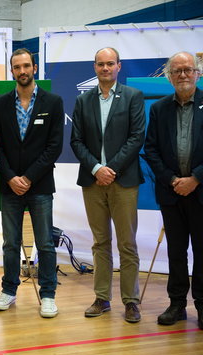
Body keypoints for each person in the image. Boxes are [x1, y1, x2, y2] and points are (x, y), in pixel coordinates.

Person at [70, 47, 145, 323]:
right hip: (92, 181)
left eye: (110, 64)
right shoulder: (83, 101)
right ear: (94, 67)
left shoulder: (133, 97)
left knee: (127, 243)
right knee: (100, 242)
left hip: (123, 180)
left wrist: (110, 169)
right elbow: (76, 140)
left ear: (119, 67)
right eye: (100, 64)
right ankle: (102, 298)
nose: (105, 68)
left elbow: (137, 137)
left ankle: (131, 301)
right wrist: (96, 168)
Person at [0, 48, 64, 318]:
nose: (22, 71)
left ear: (34, 68)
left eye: (26, 66)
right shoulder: (1, 104)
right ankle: (8, 290)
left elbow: (54, 147)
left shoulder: (53, 102)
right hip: (9, 185)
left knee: (45, 243)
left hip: (40, 185)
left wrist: (29, 177)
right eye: (16, 67)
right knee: (11, 243)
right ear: (12, 71)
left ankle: (48, 294)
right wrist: (10, 177)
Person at [144, 51, 203, 329]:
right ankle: (177, 304)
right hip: (170, 192)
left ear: (197, 73)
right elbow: (151, 150)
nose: (182, 75)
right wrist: (171, 180)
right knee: (176, 251)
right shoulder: (159, 109)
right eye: (177, 71)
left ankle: (202, 306)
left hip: (201, 191)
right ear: (169, 77)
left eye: (187, 70)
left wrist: (195, 179)